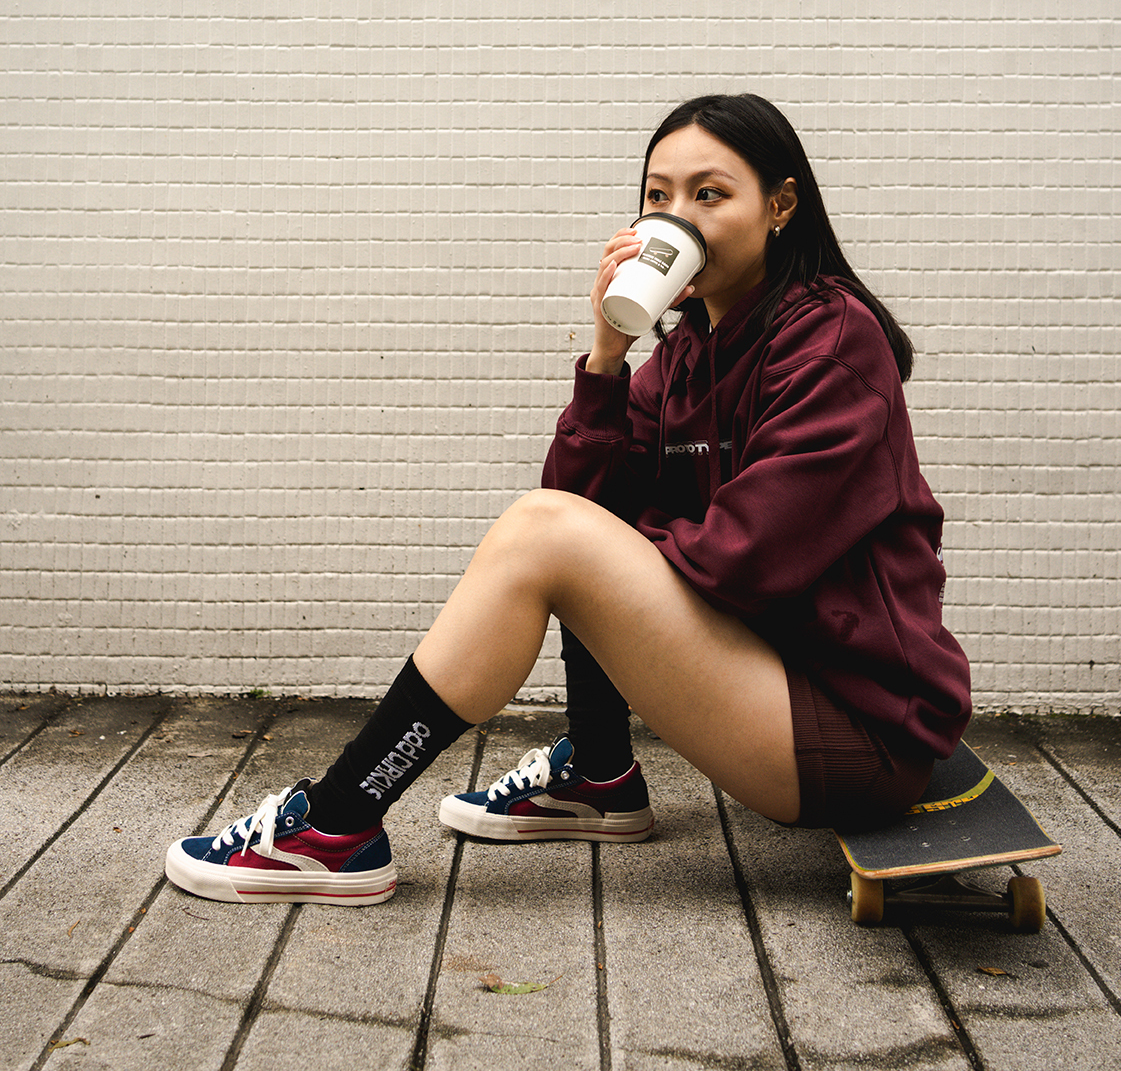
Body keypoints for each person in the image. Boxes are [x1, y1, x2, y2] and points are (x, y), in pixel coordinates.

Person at [165, 92, 971, 906]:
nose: (677, 217)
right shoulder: (689, 355)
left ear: (780, 206)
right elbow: (579, 502)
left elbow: (747, 558)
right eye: (657, 196)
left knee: (559, 535)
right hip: (771, 690)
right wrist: (608, 356)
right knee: (567, 527)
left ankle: (335, 825)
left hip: (857, 736)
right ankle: (599, 774)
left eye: (709, 194)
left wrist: (613, 547)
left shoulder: (831, 338)